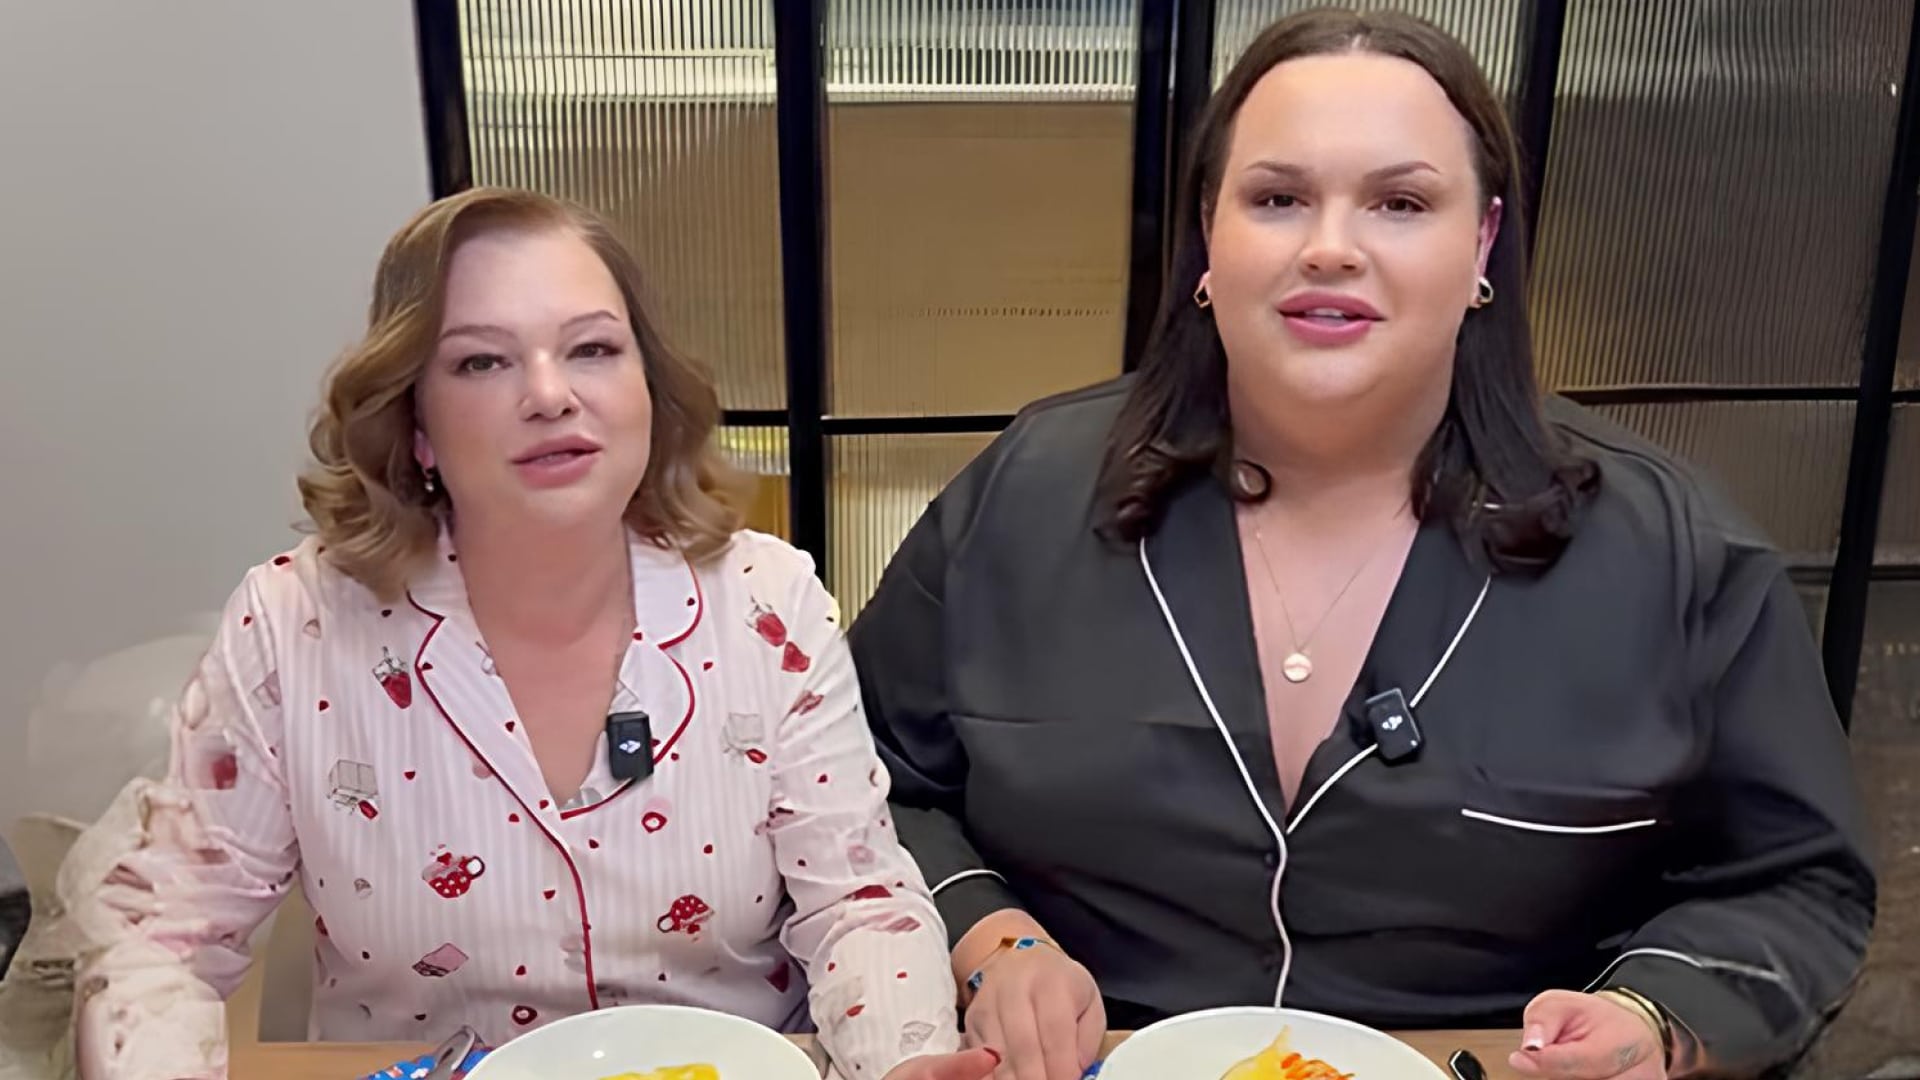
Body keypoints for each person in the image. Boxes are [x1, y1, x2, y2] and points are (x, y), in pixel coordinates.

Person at [851, 10, 1874, 1080]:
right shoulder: (1028, 494)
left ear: (1482, 243)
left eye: (1400, 203)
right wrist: (993, 942)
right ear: (1208, 236)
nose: (1330, 248)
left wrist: (1652, 1018)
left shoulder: (1674, 552)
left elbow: (1799, 880)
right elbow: (859, 785)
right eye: (1278, 198)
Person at [60, 188, 999, 1080]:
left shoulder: (768, 602)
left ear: (648, 389)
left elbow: (858, 901)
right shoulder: (293, 626)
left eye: (592, 349)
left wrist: (903, 1059)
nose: (550, 395)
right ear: (417, 425)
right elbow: (158, 939)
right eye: (482, 362)